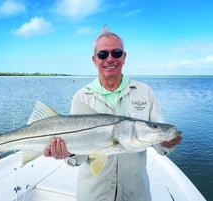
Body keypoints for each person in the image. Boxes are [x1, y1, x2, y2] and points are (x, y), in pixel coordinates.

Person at [43, 28, 182, 201]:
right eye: (103, 54)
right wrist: (68, 153)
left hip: (136, 194)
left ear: (124, 57)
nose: (110, 59)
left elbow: (160, 146)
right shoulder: (81, 97)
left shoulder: (145, 92)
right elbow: (77, 159)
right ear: (95, 60)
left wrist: (168, 143)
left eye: (116, 53)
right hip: (94, 195)